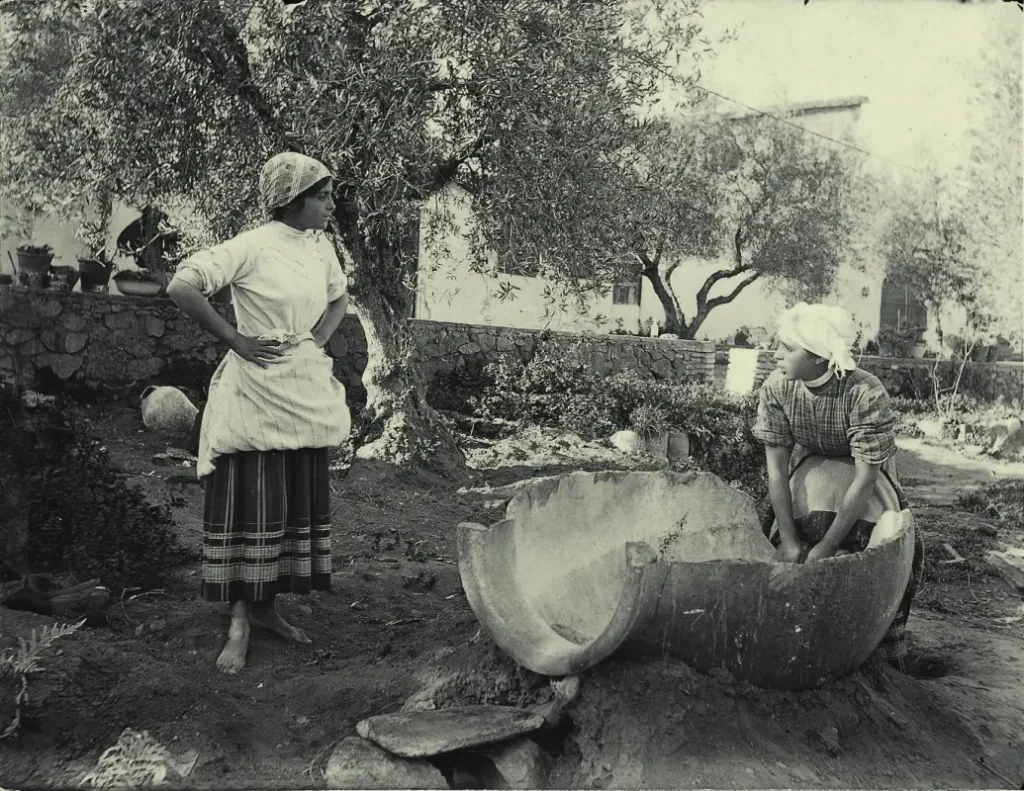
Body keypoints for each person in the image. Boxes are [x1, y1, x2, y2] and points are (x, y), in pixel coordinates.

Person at [166, 152, 351, 674]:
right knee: (255, 502)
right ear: (293, 201)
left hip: (302, 388)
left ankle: (268, 609)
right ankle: (240, 621)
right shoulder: (252, 245)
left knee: (289, 500)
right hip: (256, 393)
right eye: (322, 197)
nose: (331, 205)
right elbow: (182, 286)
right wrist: (238, 341)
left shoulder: (320, 247)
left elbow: (338, 298)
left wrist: (315, 339)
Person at [752, 302, 925, 672]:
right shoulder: (777, 388)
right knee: (771, 543)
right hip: (808, 466)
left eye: (787, 348)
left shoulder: (864, 391)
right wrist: (790, 540)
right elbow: (776, 472)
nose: (776, 354)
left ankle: (885, 656)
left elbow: (865, 478)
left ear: (818, 356)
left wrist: (827, 547)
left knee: (896, 545)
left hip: (866, 476)